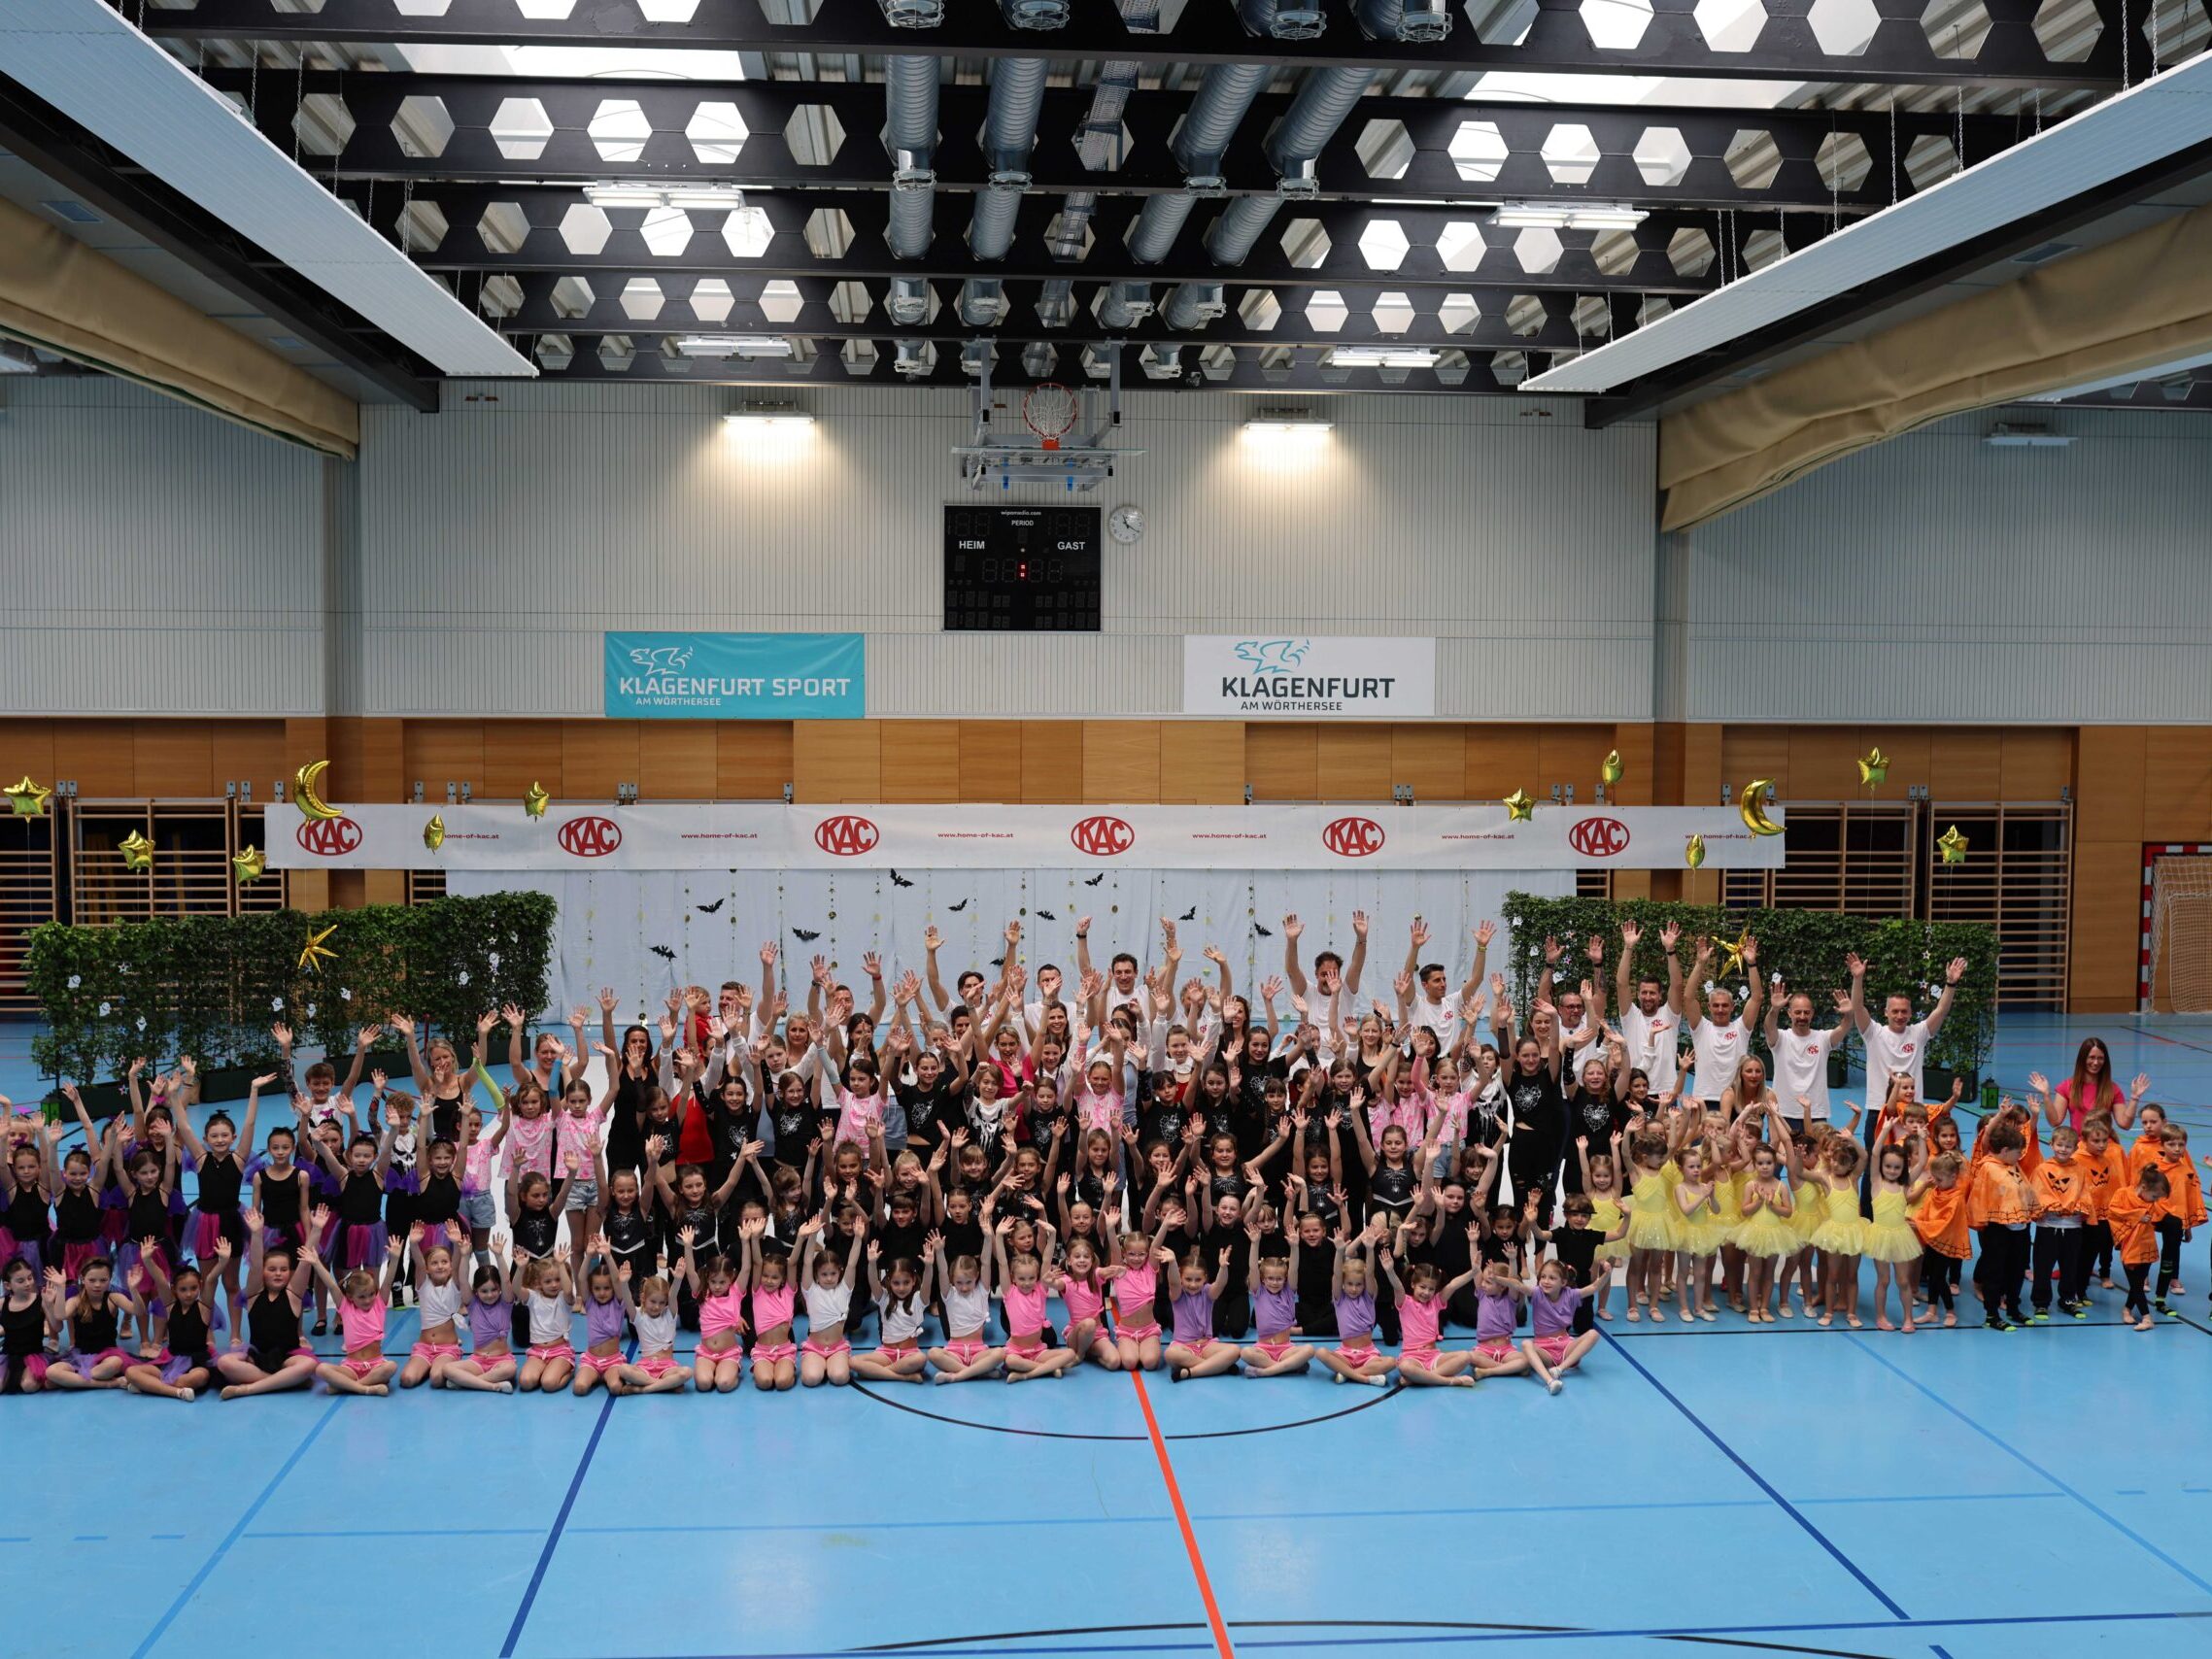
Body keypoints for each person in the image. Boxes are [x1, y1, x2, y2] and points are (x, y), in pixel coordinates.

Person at [1846, 951, 1965, 1124]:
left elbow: (1941, 1011)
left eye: (1904, 1011)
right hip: (1880, 1108)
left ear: (1910, 1013)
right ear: (1886, 1012)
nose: (1899, 1016)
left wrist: (1951, 984)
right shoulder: (1873, 1033)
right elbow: (1858, 1007)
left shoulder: (1918, 1033)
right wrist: (1857, 979)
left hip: (1913, 1111)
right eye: (1895, 1011)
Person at [1678, 934, 1761, 1109]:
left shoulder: (1741, 1028)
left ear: (1732, 1007)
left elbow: (1756, 998)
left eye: (1725, 1005)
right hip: (1704, 1099)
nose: (1720, 1009)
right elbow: (1688, 997)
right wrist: (1700, 964)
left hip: (1735, 1099)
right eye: (1716, 1005)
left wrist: (1752, 964)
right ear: (1709, 1007)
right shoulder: (1701, 1028)